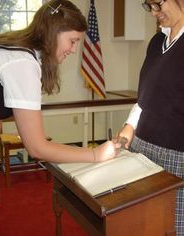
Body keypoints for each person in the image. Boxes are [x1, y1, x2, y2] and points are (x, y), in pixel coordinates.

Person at [0, 0, 121, 235]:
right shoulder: (22, 62)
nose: (73, 49)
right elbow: (36, 147)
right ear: (53, 33)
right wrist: (95, 154)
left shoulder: (21, 54)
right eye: (72, 41)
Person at [115, 0, 184, 235]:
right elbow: (145, 96)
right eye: (149, 6)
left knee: (173, 226)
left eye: (157, 4)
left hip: (177, 157)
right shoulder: (156, 42)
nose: (153, 12)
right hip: (141, 148)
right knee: (142, 222)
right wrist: (129, 126)